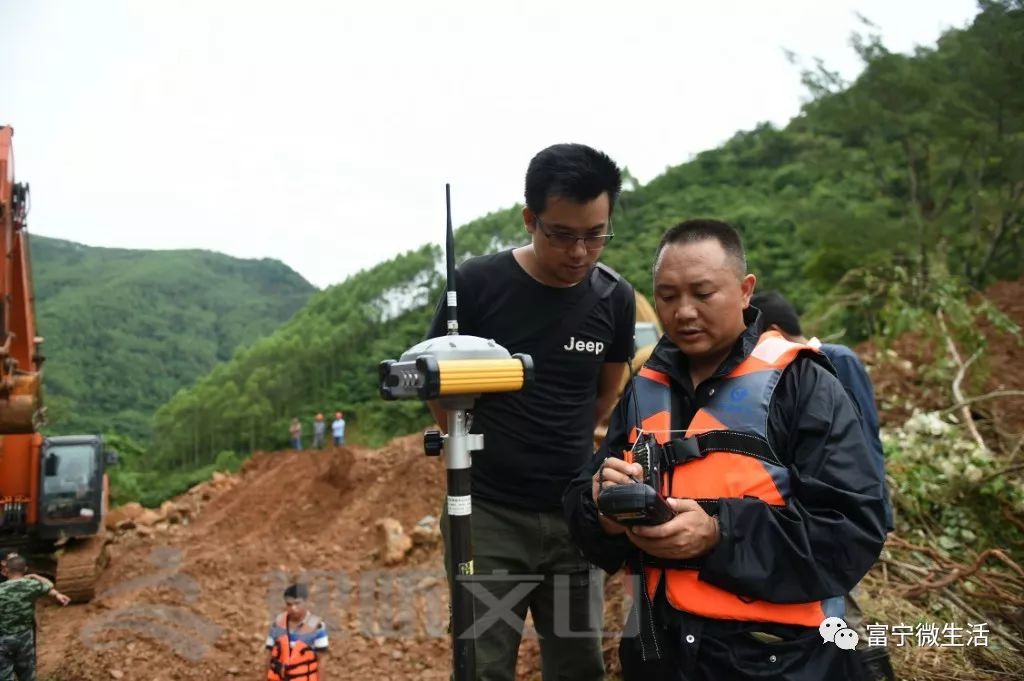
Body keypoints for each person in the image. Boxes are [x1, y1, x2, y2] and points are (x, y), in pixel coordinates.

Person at [564, 219, 887, 680]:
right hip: (660, 655)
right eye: (668, 296)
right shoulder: (642, 391)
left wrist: (719, 534)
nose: (684, 312)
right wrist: (602, 511)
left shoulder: (802, 385)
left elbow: (852, 529)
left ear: (744, 290)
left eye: (702, 292)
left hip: (774, 661)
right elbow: (583, 503)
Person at [426, 142, 636, 681]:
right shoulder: (477, 285)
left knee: (577, 664)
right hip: (488, 516)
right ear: (530, 219)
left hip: (574, 517)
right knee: (482, 665)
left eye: (595, 234)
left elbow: (603, 396)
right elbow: (435, 382)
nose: (580, 252)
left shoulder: (613, 300)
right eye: (562, 234)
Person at [751, 290, 895, 680]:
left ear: (774, 332)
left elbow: (860, 444)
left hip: (842, 511)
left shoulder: (834, 361)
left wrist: (868, 512)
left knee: (845, 609)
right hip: (815, 516)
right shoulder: (783, 376)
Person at [0, 555, 71, 680]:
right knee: (27, 674)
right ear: (25, 569)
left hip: (3, 639)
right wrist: (35, 577)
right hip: (25, 638)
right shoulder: (31, 585)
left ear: (6, 571)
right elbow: (49, 585)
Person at [266, 583, 328, 681]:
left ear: (306, 602)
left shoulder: (317, 627)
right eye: (289, 604)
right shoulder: (277, 624)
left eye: (297, 603)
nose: (293, 608)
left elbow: (322, 661)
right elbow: (269, 656)